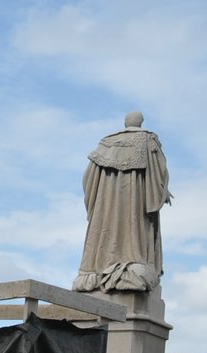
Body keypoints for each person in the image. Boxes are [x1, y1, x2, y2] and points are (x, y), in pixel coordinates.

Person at [73, 111, 171, 293]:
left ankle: (97, 270)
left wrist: (97, 200)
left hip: (106, 202)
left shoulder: (105, 144)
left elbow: (88, 178)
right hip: (135, 202)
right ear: (140, 122)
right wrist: (162, 191)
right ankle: (130, 267)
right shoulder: (148, 140)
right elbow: (160, 174)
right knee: (133, 226)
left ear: (125, 123)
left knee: (104, 229)